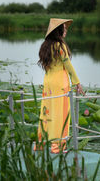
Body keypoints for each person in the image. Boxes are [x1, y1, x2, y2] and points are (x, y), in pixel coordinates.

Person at [35, 18, 84, 153]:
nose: (66, 31)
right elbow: (68, 66)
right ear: (58, 31)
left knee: (46, 112)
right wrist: (77, 82)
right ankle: (58, 146)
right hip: (60, 83)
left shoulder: (45, 46)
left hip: (48, 82)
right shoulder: (60, 46)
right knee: (60, 114)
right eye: (64, 28)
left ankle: (40, 142)